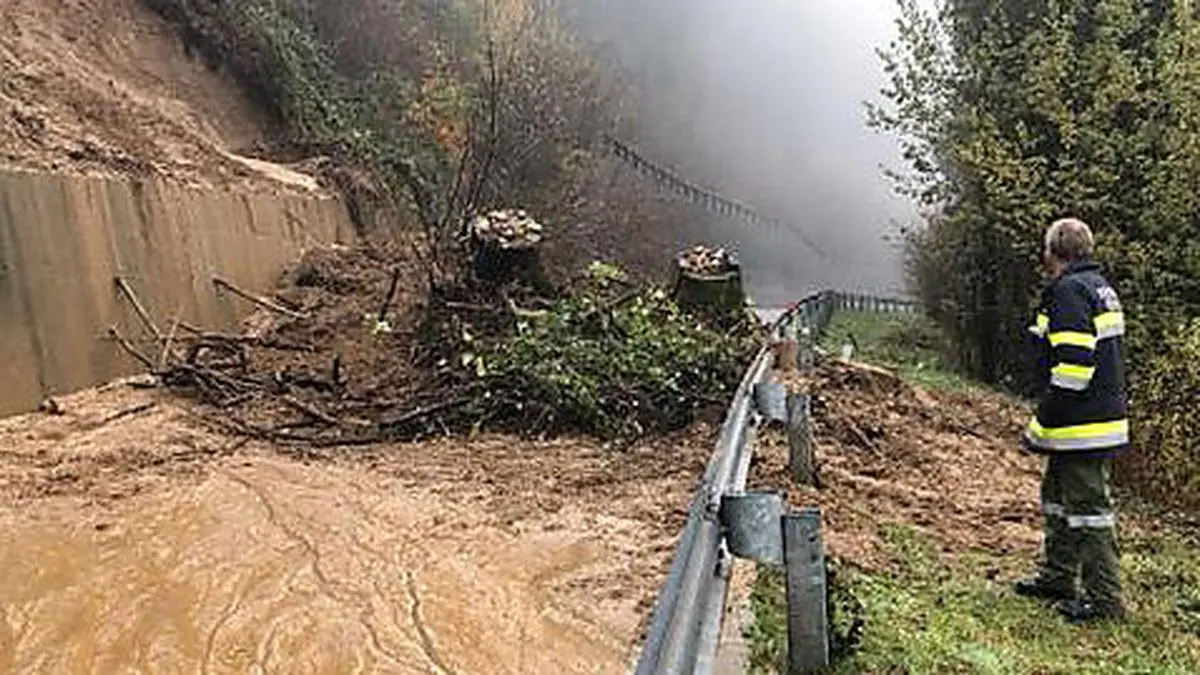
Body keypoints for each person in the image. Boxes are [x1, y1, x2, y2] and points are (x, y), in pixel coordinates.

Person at [1013, 218, 1129, 623]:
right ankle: (1058, 577)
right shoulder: (1098, 288)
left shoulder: (1069, 292)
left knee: (1089, 511)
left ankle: (1105, 601)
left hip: (1083, 424)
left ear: (1052, 252)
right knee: (1057, 498)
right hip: (1095, 418)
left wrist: (1042, 420)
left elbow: (1074, 368)